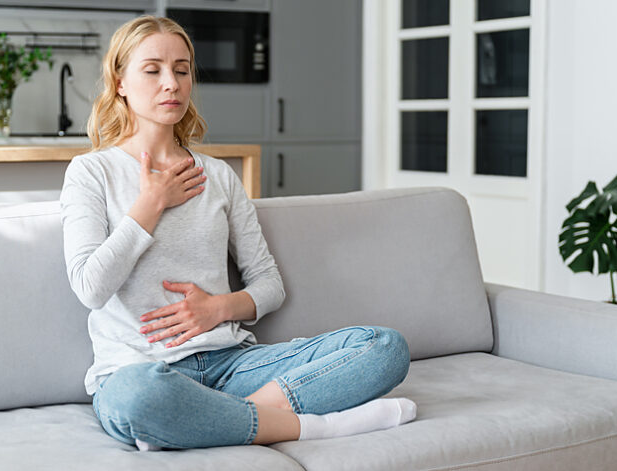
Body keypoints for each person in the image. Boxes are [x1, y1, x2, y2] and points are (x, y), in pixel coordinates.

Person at [60, 15, 416, 451]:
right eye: (152, 70)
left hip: (232, 365)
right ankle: (311, 426)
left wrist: (218, 308)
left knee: (384, 347)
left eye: (182, 69)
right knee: (140, 398)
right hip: (140, 368)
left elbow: (269, 285)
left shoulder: (219, 176)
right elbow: (90, 289)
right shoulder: (91, 172)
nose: (170, 83)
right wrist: (150, 205)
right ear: (120, 82)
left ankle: (213, 419)